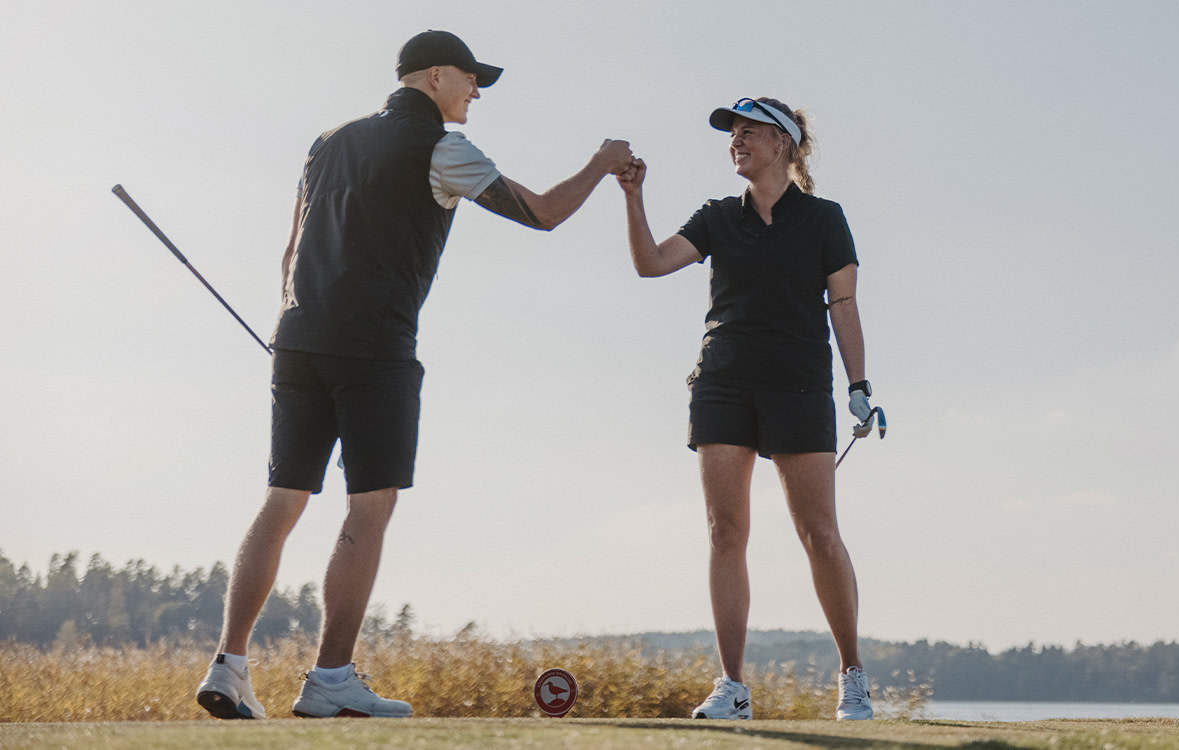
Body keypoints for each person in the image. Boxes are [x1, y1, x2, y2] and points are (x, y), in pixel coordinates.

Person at [194, 30, 635, 720]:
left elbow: (291, 250)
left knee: (281, 501)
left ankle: (230, 665)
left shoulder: (327, 140)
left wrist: (294, 331)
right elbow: (545, 213)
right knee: (369, 508)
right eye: (469, 78)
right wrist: (602, 162)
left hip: (298, 338)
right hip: (376, 350)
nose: (476, 91)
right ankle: (329, 678)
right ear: (433, 77)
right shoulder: (443, 149)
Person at [616, 97, 876, 720]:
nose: (736, 141)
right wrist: (633, 196)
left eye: (749, 132)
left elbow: (843, 304)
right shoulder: (715, 217)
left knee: (819, 533)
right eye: (731, 134)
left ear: (784, 145)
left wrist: (860, 385)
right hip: (723, 383)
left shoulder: (824, 218)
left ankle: (852, 675)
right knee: (724, 531)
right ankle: (732, 687)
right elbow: (651, 264)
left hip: (800, 385)